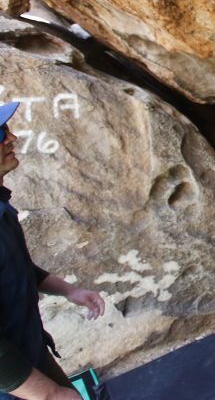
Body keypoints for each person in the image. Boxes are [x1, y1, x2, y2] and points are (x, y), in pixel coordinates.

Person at [0, 102, 106, 400]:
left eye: (6, 129)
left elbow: (16, 269)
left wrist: (68, 290)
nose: (12, 139)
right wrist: (50, 394)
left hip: (30, 357)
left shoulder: (1, 209)